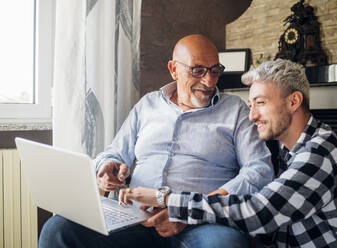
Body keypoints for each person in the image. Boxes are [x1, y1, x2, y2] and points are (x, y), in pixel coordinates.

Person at [39, 34, 274, 248]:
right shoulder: (147, 105)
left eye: (215, 70)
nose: (210, 81)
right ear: (174, 69)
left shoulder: (236, 111)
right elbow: (115, 153)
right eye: (198, 71)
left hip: (199, 222)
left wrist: (192, 210)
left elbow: (259, 170)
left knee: (225, 245)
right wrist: (106, 166)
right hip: (134, 219)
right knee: (58, 228)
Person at [120, 59, 337, 247]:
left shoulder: (319, 153)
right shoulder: (294, 148)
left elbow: (260, 212)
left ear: (293, 102)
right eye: (251, 104)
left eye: (260, 103)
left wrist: (166, 199)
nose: (252, 116)